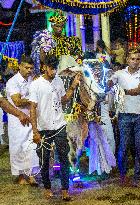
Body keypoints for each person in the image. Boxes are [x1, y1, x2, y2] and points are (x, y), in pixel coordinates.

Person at [29, 55, 81, 200]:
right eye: (51, 68)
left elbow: (63, 99)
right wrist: (35, 131)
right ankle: (47, 188)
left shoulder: (58, 81)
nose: (53, 72)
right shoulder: (36, 85)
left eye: (55, 68)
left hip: (59, 126)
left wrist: (73, 86)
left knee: (64, 158)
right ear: (44, 67)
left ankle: (65, 191)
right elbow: (32, 108)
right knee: (44, 161)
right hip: (43, 128)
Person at [108, 48, 140, 187]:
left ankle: (137, 176)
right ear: (127, 60)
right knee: (123, 148)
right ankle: (123, 175)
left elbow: (138, 90)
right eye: (132, 59)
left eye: (138, 59)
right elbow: (107, 84)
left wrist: (121, 90)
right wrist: (107, 77)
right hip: (124, 115)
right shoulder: (119, 74)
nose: (135, 62)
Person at [6, 55, 39, 186]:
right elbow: (17, 101)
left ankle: (31, 175)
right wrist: (32, 100)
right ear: (20, 66)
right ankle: (20, 176)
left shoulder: (32, 80)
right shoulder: (13, 82)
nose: (29, 70)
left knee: (31, 146)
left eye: (31, 68)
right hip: (17, 119)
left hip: (31, 118)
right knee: (17, 147)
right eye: (26, 67)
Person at [31, 10, 82, 75]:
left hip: (68, 72)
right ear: (52, 26)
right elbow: (41, 59)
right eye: (57, 26)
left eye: (61, 26)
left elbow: (78, 57)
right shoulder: (46, 40)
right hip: (51, 71)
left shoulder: (70, 41)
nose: (60, 29)